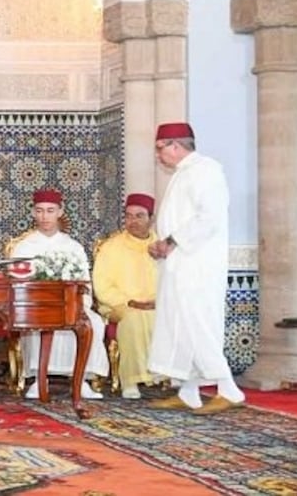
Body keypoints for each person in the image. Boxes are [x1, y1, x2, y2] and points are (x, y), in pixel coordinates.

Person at [147, 122, 246, 414]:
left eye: (159, 148)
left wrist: (173, 241)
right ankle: (188, 391)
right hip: (179, 262)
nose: (158, 155)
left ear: (175, 145)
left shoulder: (206, 170)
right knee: (180, 325)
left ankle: (229, 389)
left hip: (198, 264)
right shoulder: (183, 174)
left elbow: (210, 217)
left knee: (198, 323)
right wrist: (162, 244)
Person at [9, 188, 109, 400]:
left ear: (60, 212)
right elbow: (17, 281)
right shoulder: (24, 246)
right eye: (40, 211)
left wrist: (80, 304)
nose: (45, 216)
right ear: (33, 213)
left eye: (50, 210)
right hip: (37, 307)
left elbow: (84, 282)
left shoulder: (73, 246)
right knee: (37, 325)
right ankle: (39, 379)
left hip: (71, 305)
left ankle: (80, 380)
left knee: (94, 323)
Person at [92, 193, 159, 399]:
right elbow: (102, 285)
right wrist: (129, 301)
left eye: (139, 216)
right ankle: (131, 380)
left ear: (151, 218)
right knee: (133, 319)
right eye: (129, 216)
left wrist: (159, 301)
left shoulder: (161, 246)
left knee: (177, 319)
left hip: (157, 304)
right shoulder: (111, 247)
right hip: (119, 304)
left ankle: (162, 374)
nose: (133, 221)